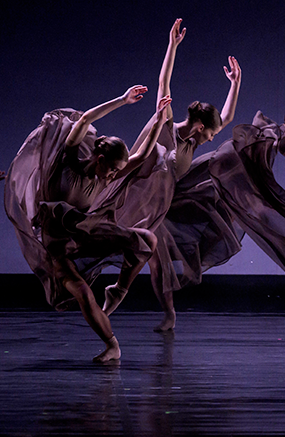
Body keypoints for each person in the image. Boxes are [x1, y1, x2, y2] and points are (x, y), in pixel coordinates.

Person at [4, 86, 171, 361]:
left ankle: (117, 291)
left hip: (83, 235)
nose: (114, 176)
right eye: (113, 169)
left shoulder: (105, 176)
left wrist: (158, 121)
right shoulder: (67, 161)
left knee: (148, 240)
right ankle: (112, 346)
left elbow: (140, 157)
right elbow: (83, 121)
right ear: (99, 158)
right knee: (80, 290)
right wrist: (122, 100)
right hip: (57, 244)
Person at [132, 18, 241, 331]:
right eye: (210, 132)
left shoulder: (196, 138)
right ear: (200, 126)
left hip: (172, 196)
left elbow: (228, 116)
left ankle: (168, 315)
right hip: (145, 198)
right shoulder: (166, 126)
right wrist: (172, 45)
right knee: (152, 259)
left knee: (158, 259)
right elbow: (164, 83)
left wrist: (234, 84)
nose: (212, 137)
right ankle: (160, 312)